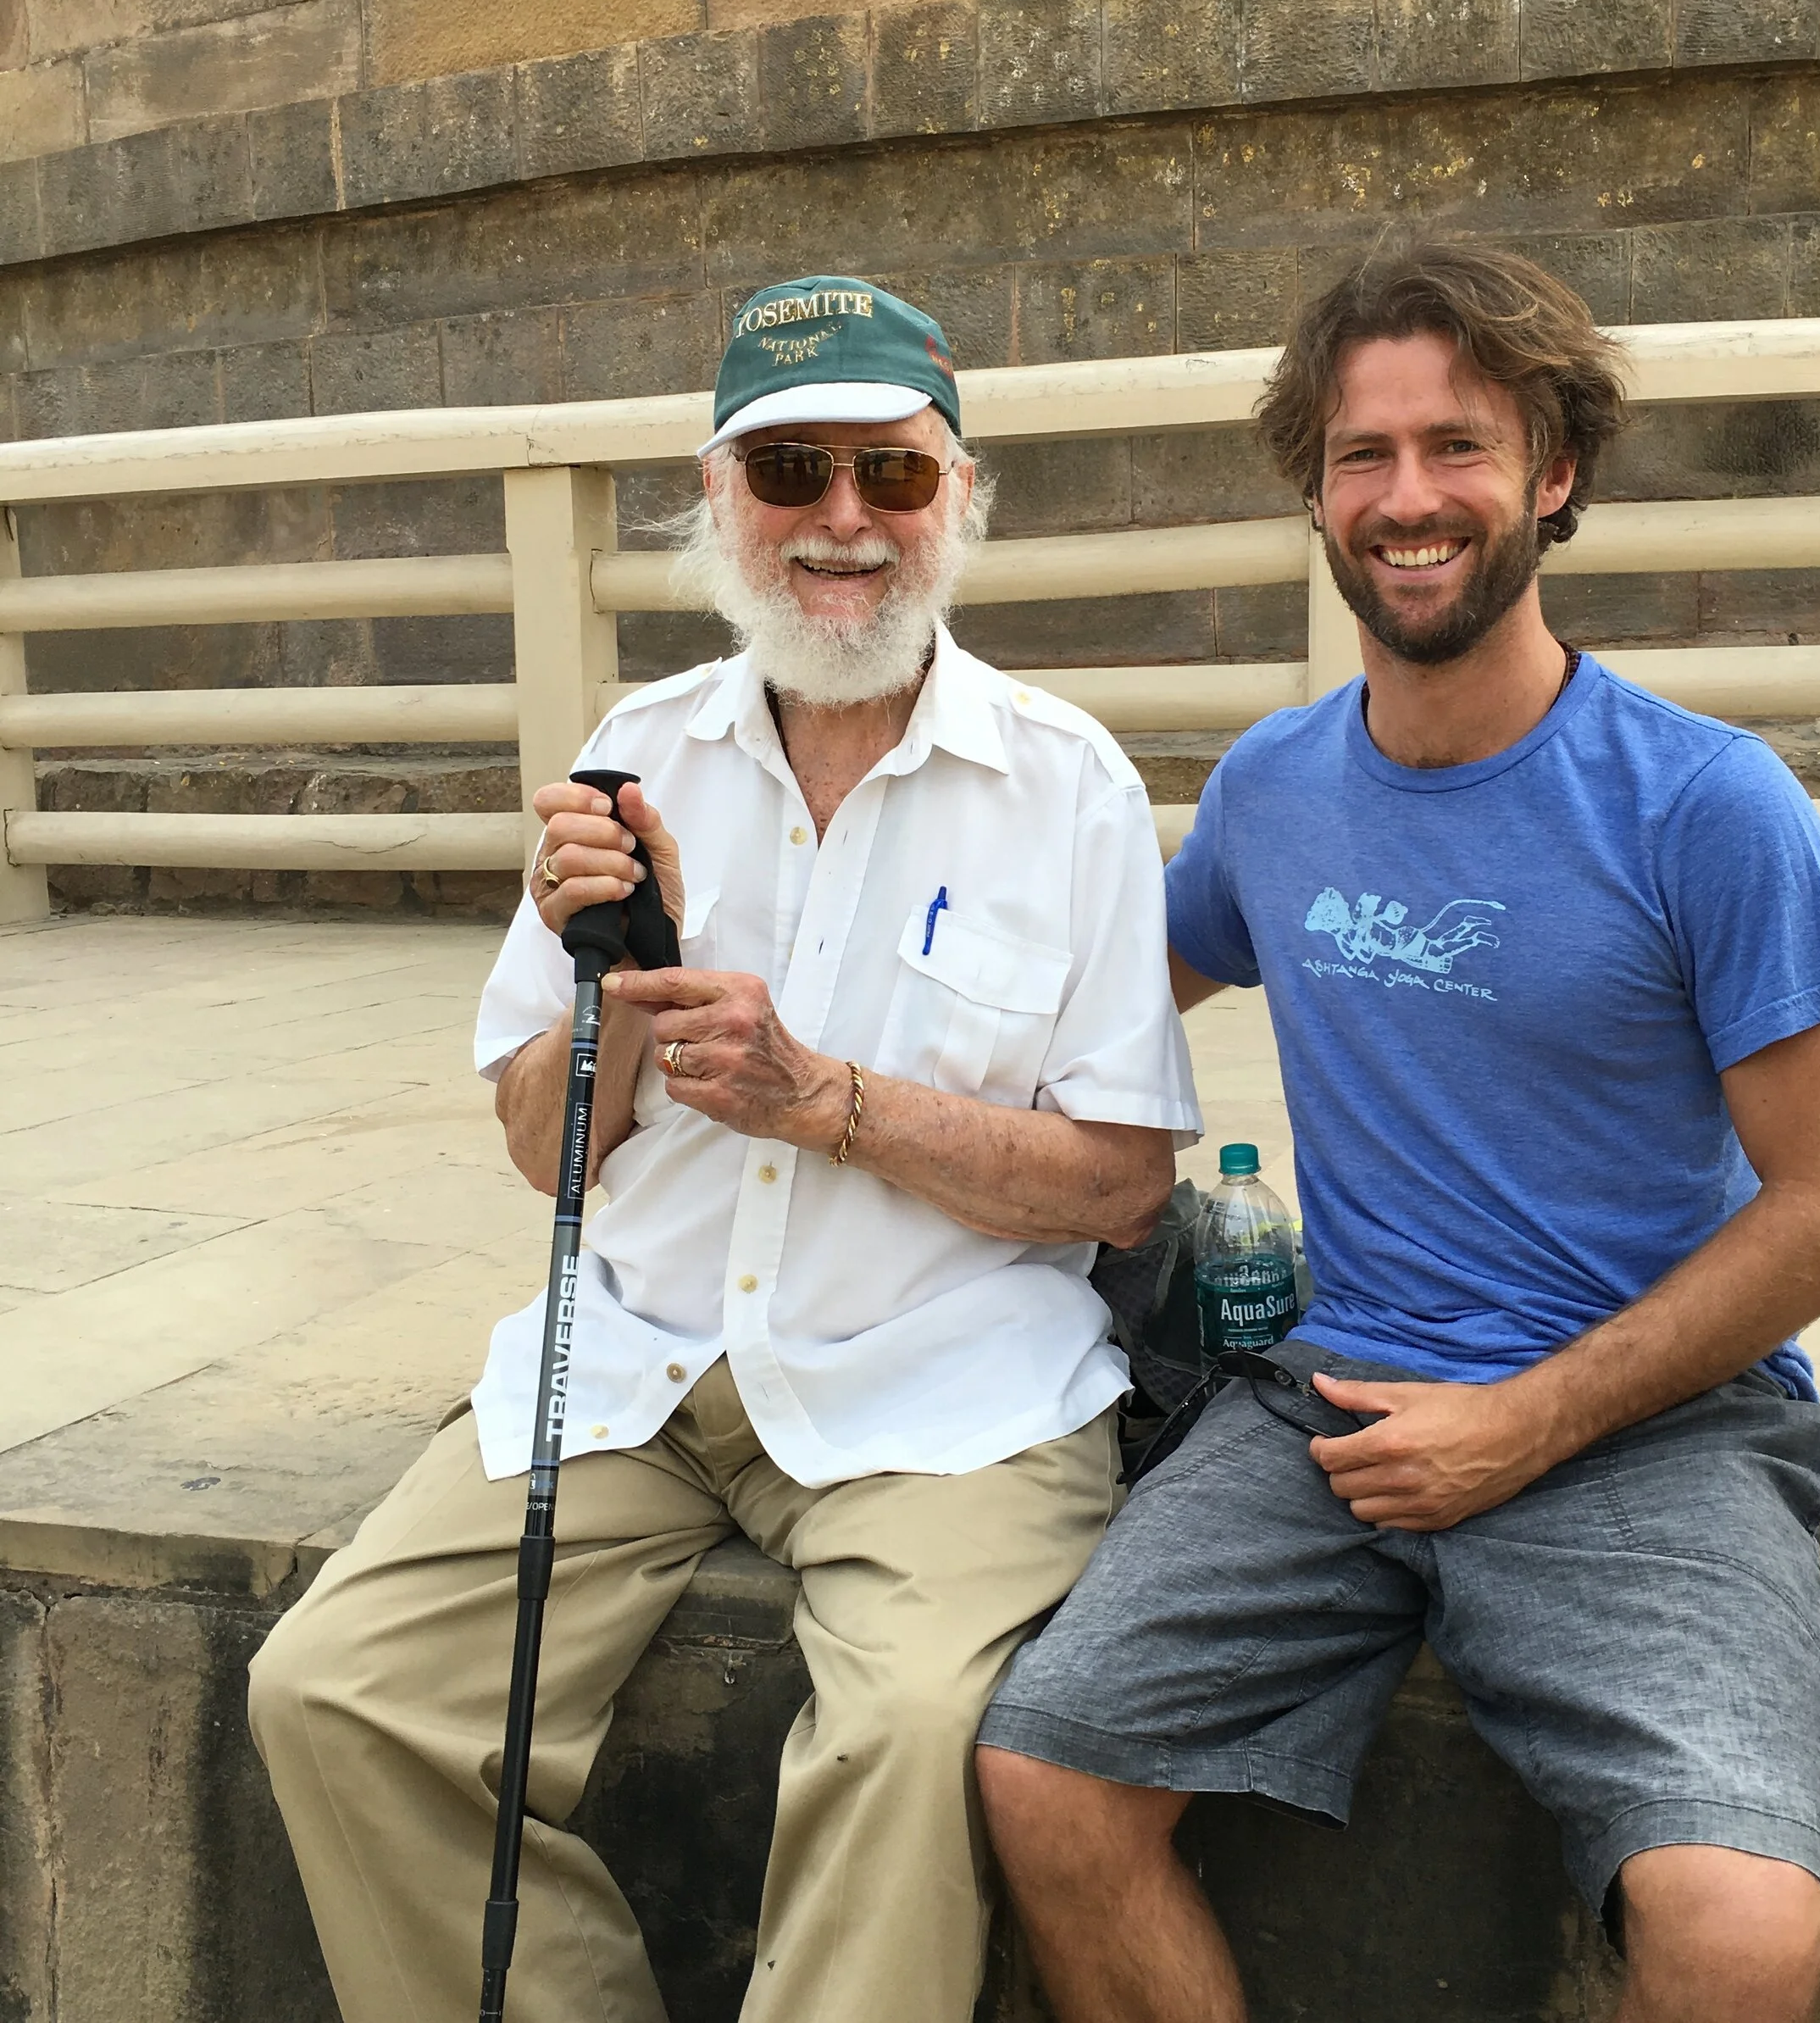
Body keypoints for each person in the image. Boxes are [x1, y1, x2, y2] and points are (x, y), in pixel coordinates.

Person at [248, 275, 1200, 2023]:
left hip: (945, 1388)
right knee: (331, 1688)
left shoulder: (1063, 784)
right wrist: (599, 993)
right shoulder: (633, 758)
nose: (843, 520)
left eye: (891, 476)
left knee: (912, 1734)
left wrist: (816, 1094)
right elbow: (543, 1155)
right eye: (791, 469)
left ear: (958, 498)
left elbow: (1118, 1179)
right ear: (717, 500)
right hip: (640, 1357)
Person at [975, 242, 1820, 2023]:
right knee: (1045, 1777)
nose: (1407, 498)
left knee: (1738, 1926)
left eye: (1457, 446)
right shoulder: (1272, 787)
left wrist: (1525, 1418)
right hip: (1328, 1406)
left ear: (1552, 472)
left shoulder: (1706, 806)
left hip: (1644, 1428)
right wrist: (776, 1011)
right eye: (1359, 454)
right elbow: (1070, 1008)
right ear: (1313, 492)